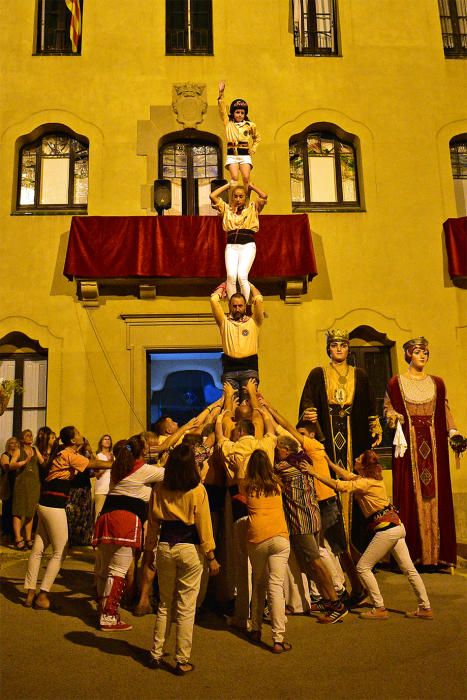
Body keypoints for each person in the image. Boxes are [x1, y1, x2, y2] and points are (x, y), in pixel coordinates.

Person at [307, 450, 433, 620]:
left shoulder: (365, 483)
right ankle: (425, 607)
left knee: (363, 567)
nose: (356, 459)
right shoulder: (368, 480)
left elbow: (340, 485)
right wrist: (329, 464)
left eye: (358, 458)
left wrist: (314, 473)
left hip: (387, 530)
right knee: (409, 569)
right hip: (396, 526)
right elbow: (347, 476)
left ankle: (379, 607)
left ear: (364, 466)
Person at [299, 329, 383, 553]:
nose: (339, 349)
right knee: (329, 486)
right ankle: (334, 547)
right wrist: (308, 414)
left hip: (353, 433)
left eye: (343, 345)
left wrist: (374, 423)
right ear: (328, 349)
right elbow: (308, 401)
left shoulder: (360, 375)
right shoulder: (318, 374)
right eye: (335, 345)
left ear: (348, 348)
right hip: (328, 435)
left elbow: (368, 405)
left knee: (356, 484)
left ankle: (358, 546)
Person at [384, 337, 459, 567]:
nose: (423, 356)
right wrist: (392, 417)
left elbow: (444, 410)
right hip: (409, 449)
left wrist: (453, 431)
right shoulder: (396, 383)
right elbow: (388, 409)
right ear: (408, 354)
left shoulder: (437, 383)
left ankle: (436, 555)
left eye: (425, 352)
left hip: (434, 447)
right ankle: (414, 554)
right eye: (418, 352)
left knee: (436, 495)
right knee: (411, 493)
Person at [146, 444, 220, 674]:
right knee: (186, 607)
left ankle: (156, 652)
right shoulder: (197, 490)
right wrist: (211, 556)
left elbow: (153, 524)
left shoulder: (159, 488)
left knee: (165, 603)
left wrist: (149, 551)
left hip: (165, 545)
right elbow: (204, 526)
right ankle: (181, 658)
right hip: (189, 547)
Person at [23, 426, 112, 610]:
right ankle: (43, 594)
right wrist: (117, 464)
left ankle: (30, 592)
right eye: (78, 434)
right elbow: (94, 465)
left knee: (38, 549)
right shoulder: (68, 454)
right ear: (72, 440)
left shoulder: (62, 453)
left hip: (44, 502)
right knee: (61, 551)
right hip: (54, 504)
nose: (81, 435)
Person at [93, 434, 166, 631]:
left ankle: (104, 609)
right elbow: (170, 474)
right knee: (118, 570)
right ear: (142, 451)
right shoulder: (144, 470)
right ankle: (109, 616)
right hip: (126, 520)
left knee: (107, 568)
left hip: (107, 517)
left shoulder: (118, 467)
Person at [274, 433, 348, 624]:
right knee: (312, 563)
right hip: (312, 516)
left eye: (278, 448)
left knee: (315, 562)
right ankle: (327, 599)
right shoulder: (303, 461)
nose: (275, 451)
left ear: (286, 450)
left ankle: (336, 603)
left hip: (302, 520)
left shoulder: (288, 467)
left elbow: (267, 471)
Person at [215, 402, 277, 630]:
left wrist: (220, 417)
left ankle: (243, 615)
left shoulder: (234, 448)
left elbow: (220, 438)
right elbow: (271, 432)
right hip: (267, 512)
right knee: (268, 568)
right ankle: (269, 611)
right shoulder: (264, 447)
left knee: (243, 566)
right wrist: (265, 411)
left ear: (240, 431)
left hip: (241, 509)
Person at [243, 449, 292, 653]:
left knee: (258, 582)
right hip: (280, 537)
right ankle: (278, 638)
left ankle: (255, 628)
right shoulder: (277, 486)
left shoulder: (248, 487)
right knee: (276, 586)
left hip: (257, 539)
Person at [210, 180, 267, 302]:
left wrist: (252, 186)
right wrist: (227, 186)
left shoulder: (252, 208)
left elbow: (264, 196)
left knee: (242, 276)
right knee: (231, 276)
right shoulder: (226, 209)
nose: (238, 199)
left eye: (241, 196)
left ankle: (244, 306)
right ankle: (233, 306)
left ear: (245, 198)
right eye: (235, 196)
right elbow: (212, 196)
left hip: (247, 245)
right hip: (231, 246)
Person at [210, 280, 264, 397]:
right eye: (234, 306)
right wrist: (225, 284)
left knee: (248, 405)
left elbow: (259, 300)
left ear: (245, 306)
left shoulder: (254, 322)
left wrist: (248, 284)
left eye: (240, 306)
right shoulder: (224, 322)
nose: (237, 309)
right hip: (230, 369)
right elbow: (214, 300)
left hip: (249, 368)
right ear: (229, 306)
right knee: (230, 405)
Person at [217, 80, 261, 187]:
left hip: (245, 154)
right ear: (233, 113)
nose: (240, 115)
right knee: (234, 178)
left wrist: (253, 149)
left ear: (245, 114)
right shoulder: (228, 123)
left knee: (246, 177)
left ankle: (246, 201)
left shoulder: (250, 125)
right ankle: (234, 201)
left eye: (242, 113)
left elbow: (257, 137)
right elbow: (222, 109)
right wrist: (221, 94)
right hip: (232, 154)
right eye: (237, 112)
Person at [9, 429, 43, 550]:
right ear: (22, 439)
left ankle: (28, 538)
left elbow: (42, 462)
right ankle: (18, 538)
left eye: (31, 435)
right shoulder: (18, 450)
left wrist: (39, 453)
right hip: (22, 483)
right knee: (19, 510)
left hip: (34, 483)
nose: (30, 437)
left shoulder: (34, 449)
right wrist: (25, 461)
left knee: (30, 511)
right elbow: (11, 465)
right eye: (27, 435)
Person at [1, 437, 19, 543]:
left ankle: (14, 533)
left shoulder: (18, 455)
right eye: (12, 443)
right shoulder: (5, 455)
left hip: (17, 484)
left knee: (15, 510)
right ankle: (6, 533)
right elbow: (6, 467)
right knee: (7, 508)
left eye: (16, 443)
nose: (14, 445)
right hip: (8, 484)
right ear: (8, 445)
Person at [94, 434, 113, 520]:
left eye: (109, 439)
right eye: (105, 439)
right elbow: (97, 475)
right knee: (99, 514)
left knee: (110, 515)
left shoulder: (114, 456)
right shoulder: (98, 456)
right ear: (101, 442)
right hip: (101, 489)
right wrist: (108, 463)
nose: (107, 440)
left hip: (112, 489)